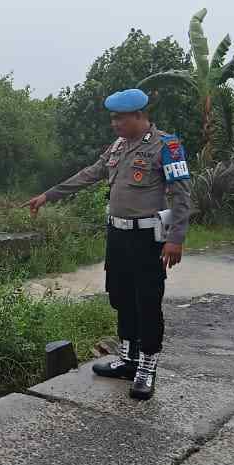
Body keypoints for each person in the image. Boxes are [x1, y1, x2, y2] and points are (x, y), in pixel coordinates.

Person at [24, 88, 191, 399]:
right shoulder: (118, 146)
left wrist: (176, 239)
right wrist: (49, 195)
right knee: (121, 296)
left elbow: (182, 195)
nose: (114, 124)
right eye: (113, 118)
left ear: (140, 116)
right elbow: (90, 173)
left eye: (120, 118)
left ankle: (147, 367)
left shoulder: (166, 146)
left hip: (146, 237)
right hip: (117, 235)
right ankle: (127, 359)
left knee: (148, 301)